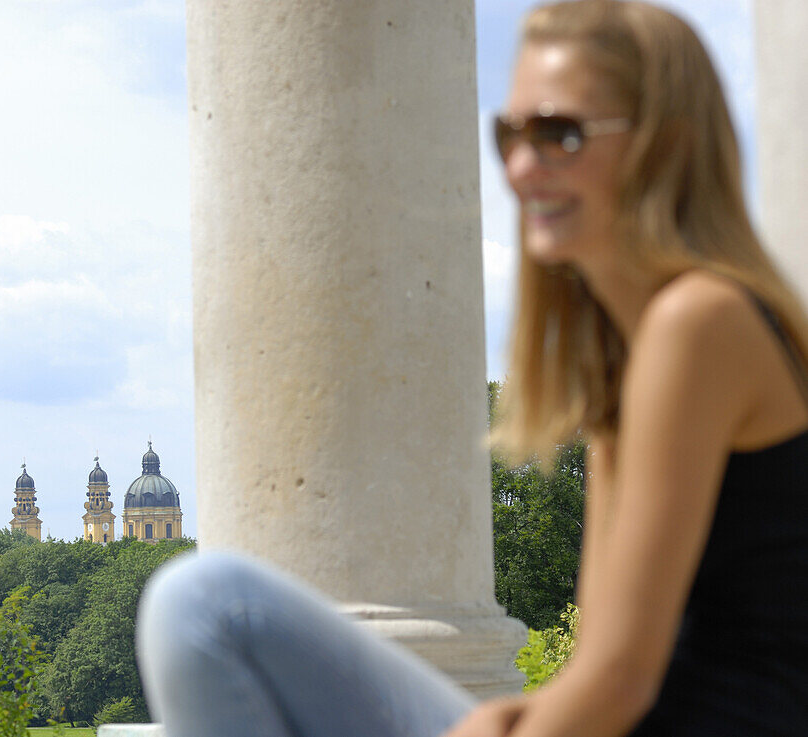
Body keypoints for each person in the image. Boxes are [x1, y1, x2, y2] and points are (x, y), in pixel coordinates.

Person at [136, 1, 808, 736]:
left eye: (561, 133)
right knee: (205, 600)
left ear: (666, 145)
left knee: (207, 607)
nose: (522, 167)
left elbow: (620, 684)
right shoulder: (634, 352)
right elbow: (600, 667)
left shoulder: (699, 322)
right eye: (510, 133)